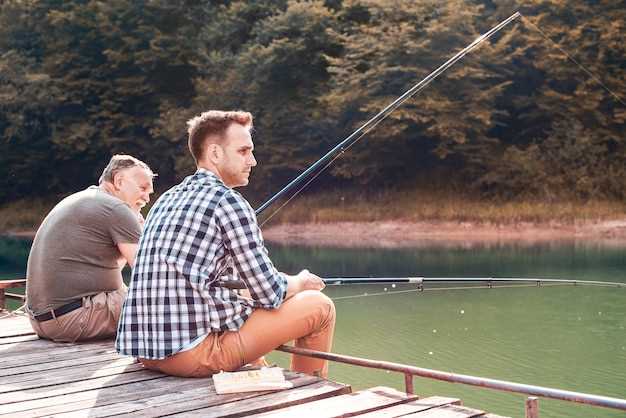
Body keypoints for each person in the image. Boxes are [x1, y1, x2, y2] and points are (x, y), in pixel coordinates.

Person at [116, 110, 335, 378]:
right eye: (243, 151)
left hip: (145, 353)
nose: (253, 161)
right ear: (216, 154)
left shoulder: (166, 199)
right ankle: (312, 392)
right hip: (190, 354)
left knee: (244, 306)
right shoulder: (228, 202)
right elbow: (269, 293)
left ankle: (263, 373)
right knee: (319, 306)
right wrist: (300, 282)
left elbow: (223, 281)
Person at [26, 155, 155, 342]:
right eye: (143, 188)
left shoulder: (84, 199)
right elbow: (149, 273)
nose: (147, 197)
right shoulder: (116, 209)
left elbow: (107, 270)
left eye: (149, 192)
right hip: (74, 320)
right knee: (164, 298)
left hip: (43, 322)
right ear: (119, 181)